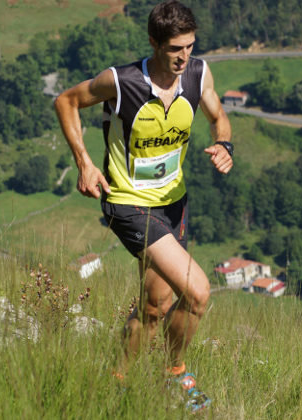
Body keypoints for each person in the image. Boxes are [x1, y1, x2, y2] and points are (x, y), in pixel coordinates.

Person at [54, 0, 232, 412]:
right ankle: (175, 372)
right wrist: (84, 163)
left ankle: (115, 379)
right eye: (174, 49)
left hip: (173, 204)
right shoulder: (121, 82)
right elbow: (66, 101)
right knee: (199, 293)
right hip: (128, 204)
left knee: (156, 307)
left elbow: (218, 115)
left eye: (189, 46)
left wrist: (224, 143)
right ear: (154, 43)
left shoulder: (199, 74)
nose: (183, 57)